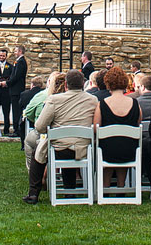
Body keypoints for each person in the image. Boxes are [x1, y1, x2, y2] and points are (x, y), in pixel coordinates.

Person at [22, 69, 98, 205]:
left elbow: (39, 126)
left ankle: (33, 193)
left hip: (59, 149)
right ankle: (70, 190)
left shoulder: (54, 99)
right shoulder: (92, 100)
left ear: (66, 85)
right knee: (67, 145)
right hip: (83, 148)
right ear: (83, 84)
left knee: (38, 152)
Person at [93, 67, 141, 190]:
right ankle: (121, 186)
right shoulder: (135, 104)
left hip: (107, 150)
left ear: (108, 84)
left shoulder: (102, 104)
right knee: (122, 143)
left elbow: (96, 128)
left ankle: (106, 186)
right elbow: (138, 123)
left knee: (109, 145)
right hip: (129, 150)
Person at [22, 72, 65, 170]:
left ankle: (34, 172)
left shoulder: (46, 97)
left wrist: (36, 120)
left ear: (50, 82)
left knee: (29, 141)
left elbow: (31, 115)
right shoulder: (84, 99)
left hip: (51, 137)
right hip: (77, 143)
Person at [6, 45, 28, 138]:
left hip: (17, 90)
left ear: (20, 52)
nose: (14, 53)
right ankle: (16, 129)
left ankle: (17, 130)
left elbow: (16, 76)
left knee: (16, 110)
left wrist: (7, 83)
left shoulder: (21, 62)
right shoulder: (19, 61)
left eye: (15, 51)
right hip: (14, 89)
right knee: (15, 110)